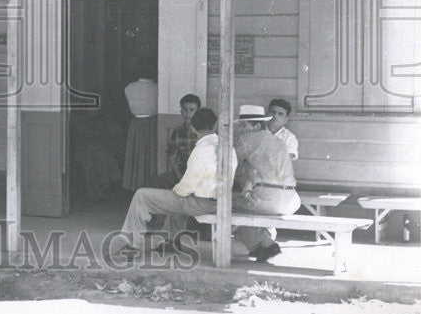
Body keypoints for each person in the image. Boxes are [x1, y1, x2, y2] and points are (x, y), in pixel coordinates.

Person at [118, 108, 236, 255]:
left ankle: (132, 246)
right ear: (215, 125)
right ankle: (171, 242)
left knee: (142, 196)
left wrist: (176, 191)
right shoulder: (227, 147)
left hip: (201, 204)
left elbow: (187, 186)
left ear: (193, 127)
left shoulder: (202, 149)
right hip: (221, 201)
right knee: (177, 199)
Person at [232, 104, 301, 262]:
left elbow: (228, 162)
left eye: (244, 125)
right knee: (245, 203)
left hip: (269, 198)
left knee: (228, 206)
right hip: (291, 200)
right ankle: (261, 246)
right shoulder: (276, 140)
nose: (241, 129)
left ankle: (265, 244)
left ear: (256, 125)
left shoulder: (248, 138)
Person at [121, 71, 158, 191]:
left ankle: (139, 186)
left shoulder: (130, 87)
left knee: (139, 154)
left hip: (139, 124)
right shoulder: (156, 88)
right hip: (150, 124)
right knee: (148, 155)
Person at [156, 93, 201, 189]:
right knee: (161, 179)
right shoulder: (177, 132)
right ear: (181, 111)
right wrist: (179, 176)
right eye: (185, 110)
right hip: (183, 172)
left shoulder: (203, 131)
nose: (188, 114)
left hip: (201, 174)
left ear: (198, 112)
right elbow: (172, 158)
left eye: (192, 110)